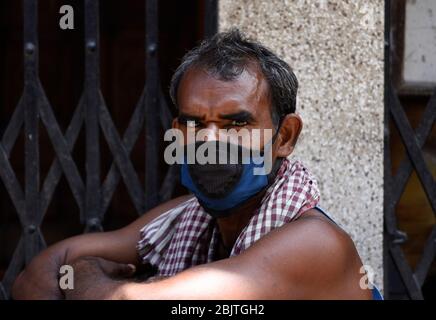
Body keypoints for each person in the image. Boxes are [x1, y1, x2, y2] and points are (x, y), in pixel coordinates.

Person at [12, 29, 376, 300]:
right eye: (195, 124)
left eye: (237, 124)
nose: (211, 142)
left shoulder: (316, 244)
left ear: (284, 137)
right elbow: (34, 278)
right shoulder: (186, 216)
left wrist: (85, 273)